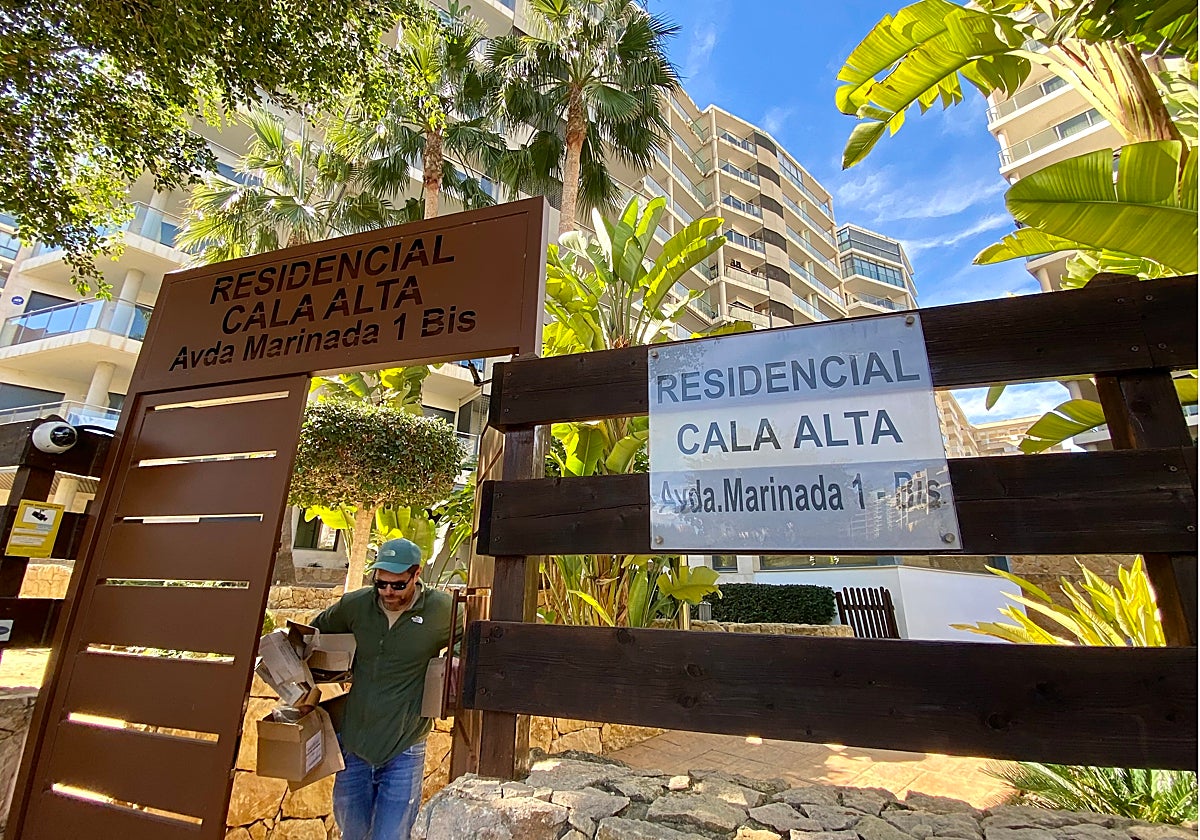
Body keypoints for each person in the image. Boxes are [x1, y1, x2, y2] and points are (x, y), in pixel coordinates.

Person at [311, 537, 453, 840]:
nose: (388, 592)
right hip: (354, 745)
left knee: (392, 836)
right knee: (353, 834)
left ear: (416, 575)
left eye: (398, 585)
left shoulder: (442, 610)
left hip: (405, 747)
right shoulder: (356, 605)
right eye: (381, 583)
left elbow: (472, 640)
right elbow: (312, 634)